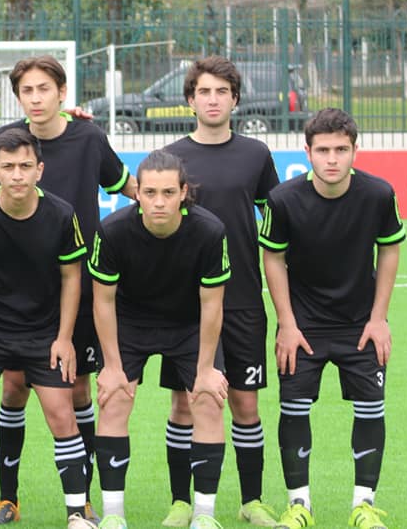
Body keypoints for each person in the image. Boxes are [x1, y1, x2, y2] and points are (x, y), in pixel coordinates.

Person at [0, 56, 135, 525]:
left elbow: (126, 185)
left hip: (73, 285)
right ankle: (8, 499)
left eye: (44, 88)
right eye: (27, 90)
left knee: (77, 387)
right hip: (13, 293)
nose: (36, 98)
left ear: (62, 93)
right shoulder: (5, 142)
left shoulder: (88, 137)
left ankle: (81, 501)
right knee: (14, 387)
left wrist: (176, 201)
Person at [0, 128, 95, 529]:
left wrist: (64, 339)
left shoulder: (61, 215)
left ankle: (77, 514)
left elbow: (72, 278)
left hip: (43, 333)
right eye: (8, 167)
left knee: (62, 413)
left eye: (26, 166)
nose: (17, 175)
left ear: (40, 170)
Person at [259, 108, 404, 529]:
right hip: (303, 328)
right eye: (323, 150)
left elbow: (389, 249)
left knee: (370, 410)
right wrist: (287, 324)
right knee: (294, 409)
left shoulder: (379, 194)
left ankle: (364, 505)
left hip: (360, 325)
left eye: (341, 149)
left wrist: (379, 319)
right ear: (307, 152)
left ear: (355, 151)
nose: (332, 159)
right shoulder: (283, 199)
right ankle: (299, 505)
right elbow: (273, 258)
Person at [157, 56, 280, 527]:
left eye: (222, 92)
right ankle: (180, 502)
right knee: (185, 403)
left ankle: (251, 501)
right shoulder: (172, 158)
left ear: (235, 99)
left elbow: (276, 219)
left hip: (243, 298)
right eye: (204, 92)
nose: (213, 100)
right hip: (185, 306)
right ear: (190, 100)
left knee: (245, 403)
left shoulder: (256, 155)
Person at [89, 149, 230, 529]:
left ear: (184, 192)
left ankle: (204, 515)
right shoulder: (113, 230)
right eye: (150, 193)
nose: (159, 202)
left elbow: (212, 305)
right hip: (130, 321)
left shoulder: (209, 231)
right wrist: (112, 367)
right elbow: (102, 301)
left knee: (207, 401)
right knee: (115, 399)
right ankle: (114, 515)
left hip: (188, 323)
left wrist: (205, 370)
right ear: (137, 193)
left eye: (168, 192)